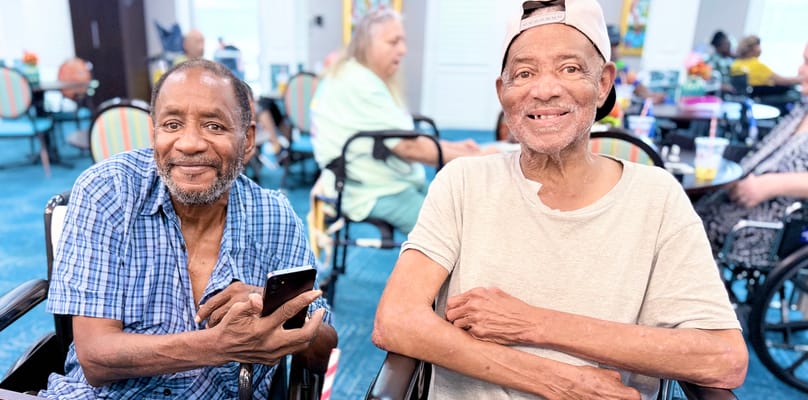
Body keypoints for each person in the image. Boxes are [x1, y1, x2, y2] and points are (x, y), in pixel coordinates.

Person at [372, 1, 748, 398]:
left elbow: (724, 358)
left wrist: (532, 323)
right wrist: (559, 380)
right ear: (503, 93)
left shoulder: (656, 196)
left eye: (570, 68)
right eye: (524, 73)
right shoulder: (464, 181)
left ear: (603, 83)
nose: (544, 89)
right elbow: (395, 318)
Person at [39, 59, 337, 399]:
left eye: (214, 126)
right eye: (172, 124)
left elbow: (324, 350)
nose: (189, 143)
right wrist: (219, 345)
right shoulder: (108, 191)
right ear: (154, 132)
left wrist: (278, 310)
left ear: (248, 139)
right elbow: (95, 358)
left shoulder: (274, 216)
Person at [310, 8, 493, 234]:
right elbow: (408, 147)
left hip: (379, 181)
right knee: (450, 232)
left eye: (402, 41)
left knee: (455, 207)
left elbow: (402, 136)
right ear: (368, 44)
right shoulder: (361, 83)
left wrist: (457, 148)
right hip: (369, 191)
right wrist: (477, 158)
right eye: (393, 42)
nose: (403, 50)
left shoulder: (355, 74)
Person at [696, 42, 808, 267]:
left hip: (767, 227)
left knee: (681, 234)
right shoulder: (802, 109)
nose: (799, 69)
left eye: (807, 63)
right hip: (734, 204)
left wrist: (771, 184)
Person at [731, 35, 800, 89]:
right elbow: (783, 81)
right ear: (753, 48)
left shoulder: (736, 64)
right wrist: (801, 79)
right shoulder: (756, 65)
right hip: (762, 96)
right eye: (758, 45)